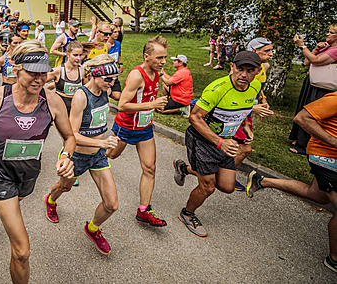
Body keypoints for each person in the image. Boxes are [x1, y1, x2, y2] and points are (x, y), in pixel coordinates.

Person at [0, 40, 75, 284]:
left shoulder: (52, 103)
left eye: (43, 73)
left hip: (28, 174)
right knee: (22, 251)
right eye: (32, 73)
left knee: (5, 207)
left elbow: (69, 137)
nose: (39, 80)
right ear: (16, 68)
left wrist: (66, 155)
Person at [245, 91, 337, 273]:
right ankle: (334, 259)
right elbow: (302, 118)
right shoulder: (334, 99)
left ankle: (261, 180)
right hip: (326, 155)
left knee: (317, 195)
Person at [173, 51, 262, 237]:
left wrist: (246, 127)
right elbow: (194, 117)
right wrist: (219, 142)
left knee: (227, 186)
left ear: (258, 71)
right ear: (232, 67)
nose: (244, 75)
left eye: (250, 70)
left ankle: (184, 169)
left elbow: (243, 109)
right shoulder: (218, 88)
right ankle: (187, 214)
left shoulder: (255, 86)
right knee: (208, 186)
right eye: (240, 69)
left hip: (227, 141)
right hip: (204, 140)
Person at [44, 55, 119, 254]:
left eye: (114, 79)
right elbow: (73, 134)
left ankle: (92, 228)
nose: (112, 83)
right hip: (76, 156)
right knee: (64, 188)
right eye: (108, 79)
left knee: (111, 204)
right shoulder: (81, 96)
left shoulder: (106, 89)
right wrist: (102, 142)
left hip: (97, 156)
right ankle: (50, 201)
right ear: (95, 75)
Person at [107, 36, 169, 227]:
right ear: (146, 57)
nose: (164, 62)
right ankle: (88, 154)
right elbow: (123, 105)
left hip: (144, 128)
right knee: (110, 155)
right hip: (125, 126)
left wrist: (155, 107)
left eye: (165, 57)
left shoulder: (157, 72)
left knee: (150, 168)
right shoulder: (136, 75)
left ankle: (143, 210)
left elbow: (147, 96)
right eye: (159, 58)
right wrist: (152, 103)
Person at [231, 38, 275, 190]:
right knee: (245, 148)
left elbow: (258, 86)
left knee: (238, 147)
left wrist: (262, 98)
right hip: (237, 110)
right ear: (255, 51)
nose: (271, 54)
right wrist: (253, 108)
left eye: (271, 50)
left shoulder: (265, 66)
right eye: (267, 51)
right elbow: (233, 94)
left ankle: (223, 173)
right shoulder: (243, 69)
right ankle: (226, 175)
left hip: (247, 109)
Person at [289, 25, 337, 154]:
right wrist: (315, 48)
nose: (327, 34)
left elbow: (316, 60)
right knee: (304, 110)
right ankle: (300, 140)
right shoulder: (327, 47)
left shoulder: (336, 50)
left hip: (324, 87)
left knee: (313, 116)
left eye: (331, 33)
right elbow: (307, 62)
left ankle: (306, 145)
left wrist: (302, 46)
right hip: (313, 83)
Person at [46, 41, 85, 115]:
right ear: (68, 54)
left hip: (77, 108)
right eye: (75, 55)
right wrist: (48, 97)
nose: (78, 58)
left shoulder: (83, 71)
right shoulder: (58, 71)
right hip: (60, 109)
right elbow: (39, 83)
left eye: (80, 55)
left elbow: (87, 89)